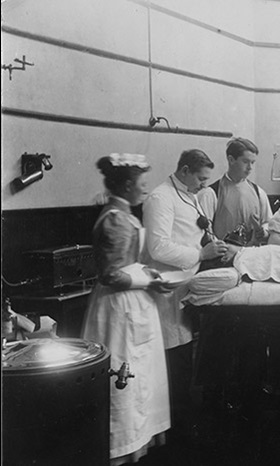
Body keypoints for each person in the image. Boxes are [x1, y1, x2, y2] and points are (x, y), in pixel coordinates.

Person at [81, 153, 170, 465]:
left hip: (132, 300)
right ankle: (121, 445)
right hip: (119, 307)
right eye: (142, 184)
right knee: (124, 373)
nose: (145, 190)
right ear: (128, 186)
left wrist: (147, 274)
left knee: (139, 374)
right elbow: (109, 275)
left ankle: (136, 440)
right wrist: (146, 281)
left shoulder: (124, 213)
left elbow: (127, 264)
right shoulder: (115, 219)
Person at [143, 149, 229, 442]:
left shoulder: (189, 194)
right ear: (184, 170)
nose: (204, 185)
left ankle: (182, 423)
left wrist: (212, 244)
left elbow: (192, 229)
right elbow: (158, 248)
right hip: (167, 289)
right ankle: (174, 432)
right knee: (174, 360)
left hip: (185, 286)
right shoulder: (160, 197)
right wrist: (200, 253)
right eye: (201, 179)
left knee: (184, 358)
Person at [198, 137, 273, 247]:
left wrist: (264, 231)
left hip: (252, 255)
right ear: (231, 160)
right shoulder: (211, 193)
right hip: (223, 257)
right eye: (245, 162)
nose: (250, 168)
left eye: (253, 162)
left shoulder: (258, 192)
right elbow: (205, 233)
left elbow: (268, 222)